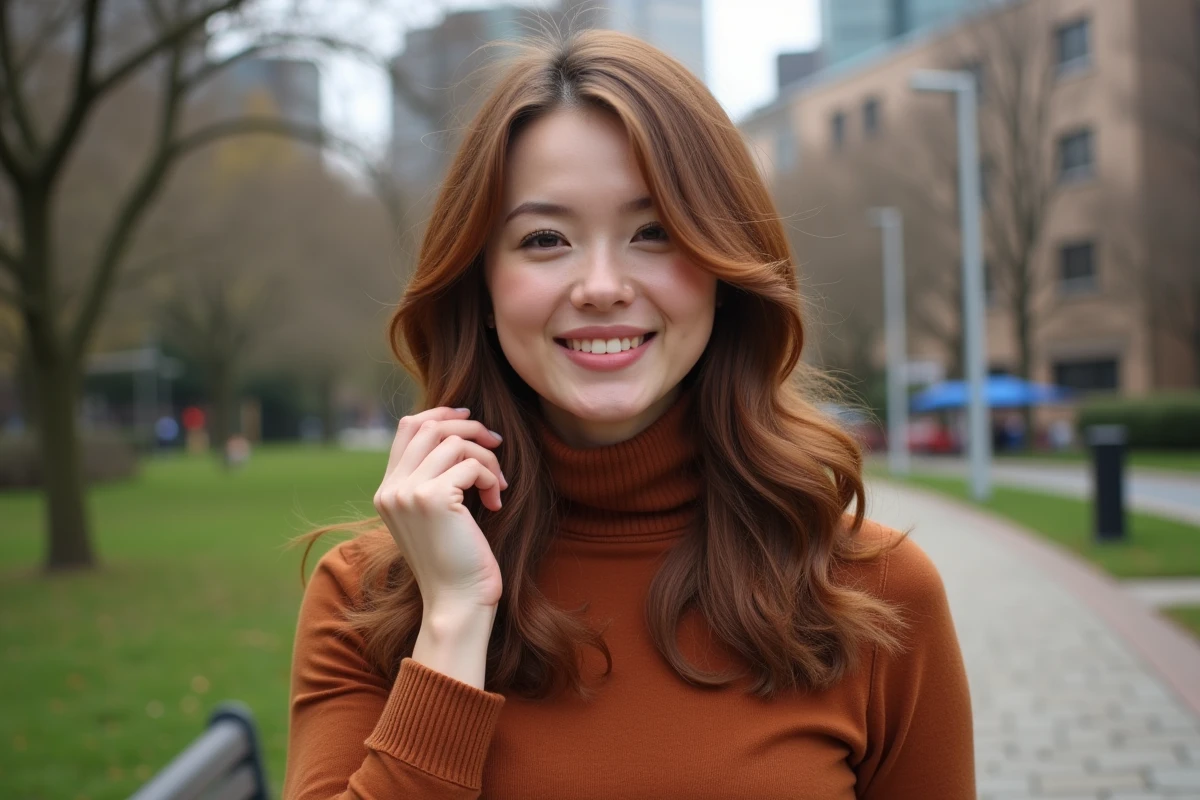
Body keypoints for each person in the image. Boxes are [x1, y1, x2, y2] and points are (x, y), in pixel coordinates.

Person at [283, 30, 974, 800]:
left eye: (655, 232)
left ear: (723, 268)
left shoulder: (873, 592)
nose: (602, 285)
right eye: (545, 239)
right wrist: (449, 624)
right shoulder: (370, 599)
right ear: (481, 286)